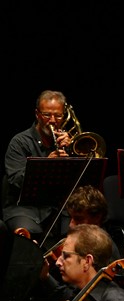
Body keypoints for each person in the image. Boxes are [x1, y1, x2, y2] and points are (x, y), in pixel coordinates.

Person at [3, 90, 73, 242]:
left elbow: (80, 182)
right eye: (47, 115)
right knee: (28, 237)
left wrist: (72, 154)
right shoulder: (20, 142)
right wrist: (46, 166)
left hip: (58, 208)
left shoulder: (67, 143)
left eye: (58, 115)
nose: (53, 120)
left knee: (82, 233)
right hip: (24, 208)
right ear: (37, 114)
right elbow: (16, 180)